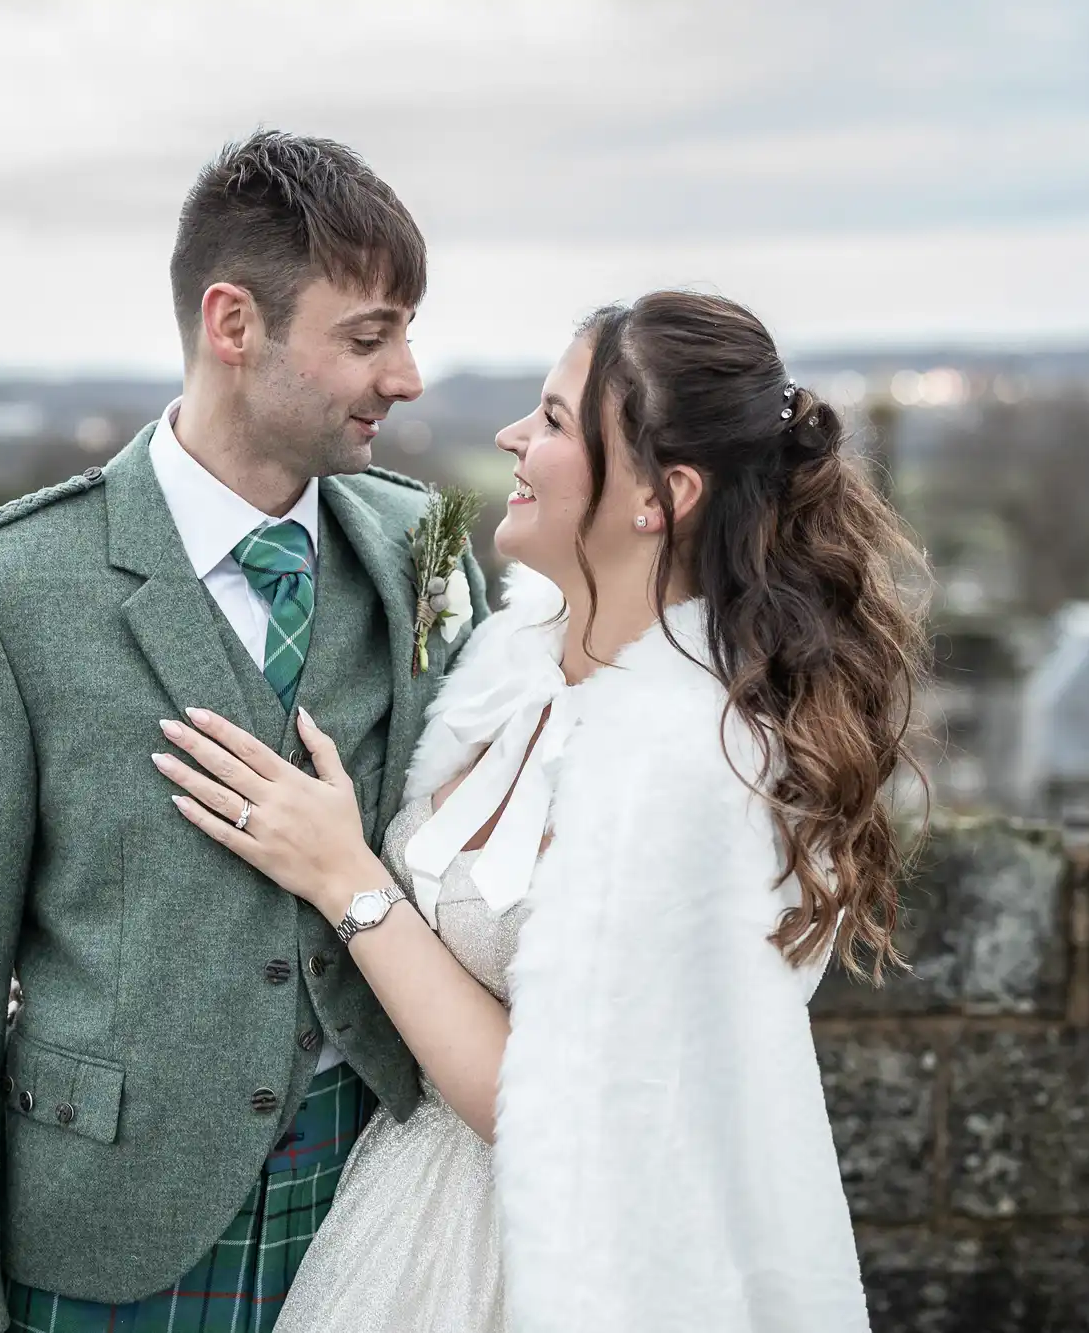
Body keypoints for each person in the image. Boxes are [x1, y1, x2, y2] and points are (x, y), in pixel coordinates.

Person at [153, 290, 929, 1331]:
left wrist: (347, 879)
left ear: (660, 494)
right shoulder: (508, 662)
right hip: (401, 1209)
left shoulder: (701, 760)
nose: (513, 436)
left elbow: (550, 1107)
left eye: (556, 421)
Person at [0, 130, 489, 1332]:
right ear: (233, 323)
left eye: (404, 332)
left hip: (374, 1198)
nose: (406, 377)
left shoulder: (423, 549)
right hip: (107, 1232)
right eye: (367, 337)